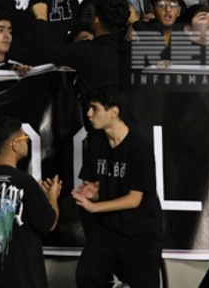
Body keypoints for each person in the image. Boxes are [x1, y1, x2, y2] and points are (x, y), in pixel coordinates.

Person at [73, 89, 163, 288]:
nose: (88, 114)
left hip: (139, 233)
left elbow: (134, 199)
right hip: (107, 229)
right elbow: (94, 187)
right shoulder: (95, 144)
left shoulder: (140, 147)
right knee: (86, 276)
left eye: (95, 109)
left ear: (113, 112)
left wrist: (95, 206)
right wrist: (93, 195)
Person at [0, 116, 61, 287]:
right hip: (21, 278)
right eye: (24, 138)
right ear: (15, 145)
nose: (27, 142)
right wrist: (52, 197)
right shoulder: (24, 182)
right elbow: (49, 224)